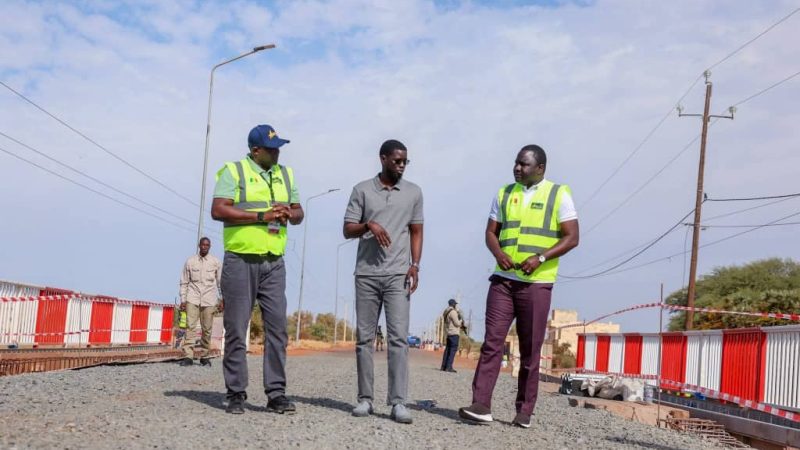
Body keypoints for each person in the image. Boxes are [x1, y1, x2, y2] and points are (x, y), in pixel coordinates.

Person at [459, 145, 579, 429]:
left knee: (530, 350)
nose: (517, 168)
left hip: (536, 285)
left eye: (524, 165)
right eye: (516, 163)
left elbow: (572, 237)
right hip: (503, 281)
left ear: (540, 168)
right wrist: (498, 254)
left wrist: (540, 258)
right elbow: (491, 232)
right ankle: (481, 404)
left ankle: (524, 410)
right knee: (492, 343)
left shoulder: (558, 194)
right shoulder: (504, 193)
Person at [211, 124, 303, 415]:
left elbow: (299, 212)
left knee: (278, 329)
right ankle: (235, 392)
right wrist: (261, 215)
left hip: (274, 261)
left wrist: (291, 213)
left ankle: (276, 393)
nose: (277, 153)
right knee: (237, 329)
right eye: (272, 149)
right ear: (255, 150)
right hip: (241, 260)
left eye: (279, 148)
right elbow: (218, 210)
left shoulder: (285, 174)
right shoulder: (234, 172)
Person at [343, 139, 423, 424]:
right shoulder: (362, 190)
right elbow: (347, 229)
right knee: (364, 339)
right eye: (397, 160)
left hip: (398, 275)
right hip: (366, 275)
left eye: (405, 162)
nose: (401, 165)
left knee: (398, 339)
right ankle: (365, 399)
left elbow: (416, 231)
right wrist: (368, 225)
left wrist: (415, 265)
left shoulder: (413, 192)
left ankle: (398, 402)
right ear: (383, 159)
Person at [178, 237, 222, 367]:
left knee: (207, 329)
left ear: (210, 246)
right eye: (203, 244)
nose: (204, 247)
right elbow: (184, 282)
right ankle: (188, 356)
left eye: (207, 245)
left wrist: (223, 299)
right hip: (193, 297)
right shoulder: (190, 262)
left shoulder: (216, 262)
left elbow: (220, 283)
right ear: (199, 245)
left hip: (209, 299)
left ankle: (204, 356)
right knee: (190, 326)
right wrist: (183, 299)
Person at [440, 298, 464, 373]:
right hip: (454, 333)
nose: (455, 305)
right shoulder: (453, 312)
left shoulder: (446, 312)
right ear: (453, 304)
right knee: (452, 351)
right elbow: (457, 323)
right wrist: (461, 321)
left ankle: (443, 366)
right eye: (455, 304)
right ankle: (449, 367)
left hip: (448, 333)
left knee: (447, 350)